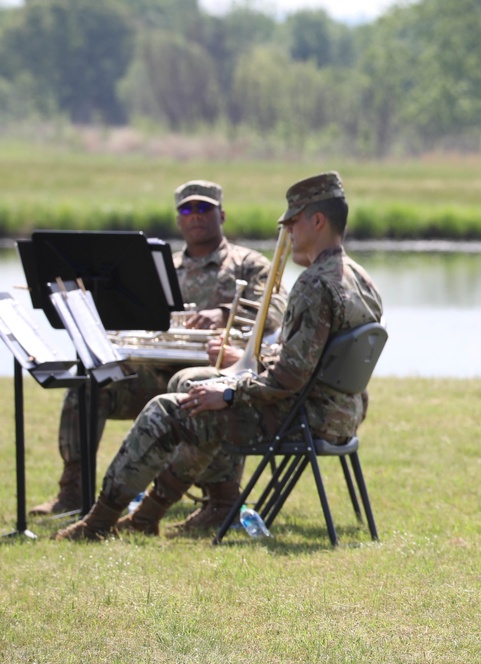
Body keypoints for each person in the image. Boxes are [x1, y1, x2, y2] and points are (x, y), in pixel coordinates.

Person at [55, 170, 383, 542]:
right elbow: (308, 361)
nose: (289, 233)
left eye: (292, 222)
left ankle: (98, 523)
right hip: (340, 415)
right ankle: (149, 516)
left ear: (317, 221)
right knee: (197, 392)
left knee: (167, 409)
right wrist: (238, 372)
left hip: (301, 416)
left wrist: (227, 393)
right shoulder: (361, 278)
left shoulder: (314, 283)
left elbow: (287, 379)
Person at [31, 180, 286, 524]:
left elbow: (274, 312)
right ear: (178, 219)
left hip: (214, 374)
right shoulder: (154, 265)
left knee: (199, 387)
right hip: (155, 372)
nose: (194, 216)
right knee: (92, 386)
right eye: (186, 209)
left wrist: (224, 313)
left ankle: (218, 500)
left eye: (203, 208)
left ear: (221, 215)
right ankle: (73, 491)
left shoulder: (250, 264)